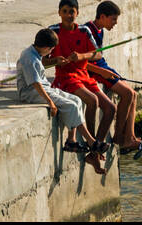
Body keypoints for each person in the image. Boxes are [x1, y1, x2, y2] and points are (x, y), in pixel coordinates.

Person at [15, 28, 105, 174]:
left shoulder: (36, 53)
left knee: (76, 100)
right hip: (30, 92)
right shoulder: (28, 58)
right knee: (69, 105)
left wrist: (56, 60)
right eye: (50, 50)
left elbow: (41, 75)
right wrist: (50, 102)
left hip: (44, 87)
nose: (50, 53)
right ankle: (91, 141)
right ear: (46, 47)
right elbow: (36, 84)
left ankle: (72, 140)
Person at [49, 0, 114, 172]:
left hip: (84, 75)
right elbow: (43, 60)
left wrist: (82, 56)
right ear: (59, 13)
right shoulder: (53, 31)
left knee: (110, 108)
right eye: (65, 12)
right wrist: (56, 60)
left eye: (72, 12)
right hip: (65, 78)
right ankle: (93, 145)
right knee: (92, 100)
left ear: (77, 13)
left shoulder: (84, 31)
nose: (69, 15)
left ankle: (94, 149)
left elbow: (97, 54)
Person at [85, 1, 142, 159]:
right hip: (97, 72)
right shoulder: (87, 31)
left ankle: (130, 136)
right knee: (128, 94)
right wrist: (103, 72)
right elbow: (82, 62)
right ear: (102, 17)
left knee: (134, 94)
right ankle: (121, 139)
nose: (115, 23)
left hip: (104, 68)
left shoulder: (99, 30)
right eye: (113, 19)